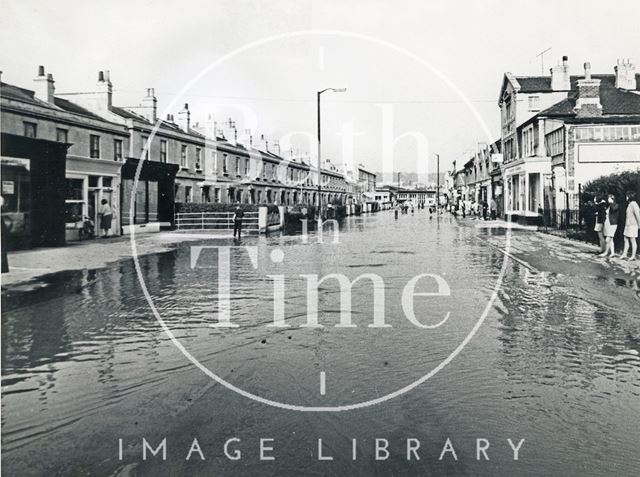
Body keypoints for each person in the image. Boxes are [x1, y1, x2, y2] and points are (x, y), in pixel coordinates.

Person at [621, 191, 640, 260]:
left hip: (633, 225)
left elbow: (638, 215)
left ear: (630, 196)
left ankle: (633, 256)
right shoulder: (629, 204)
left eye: (627, 196)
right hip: (628, 225)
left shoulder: (634, 204)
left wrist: (639, 224)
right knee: (625, 239)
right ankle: (624, 254)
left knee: (632, 240)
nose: (626, 197)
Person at [599, 194, 619, 258]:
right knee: (611, 240)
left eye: (609, 198)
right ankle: (612, 253)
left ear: (612, 198)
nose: (608, 199)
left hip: (612, 224)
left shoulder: (615, 205)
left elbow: (614, 209)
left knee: (608, 239)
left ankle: (606, 252)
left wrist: (611, 203)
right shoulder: (609, 206)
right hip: (608, 224)